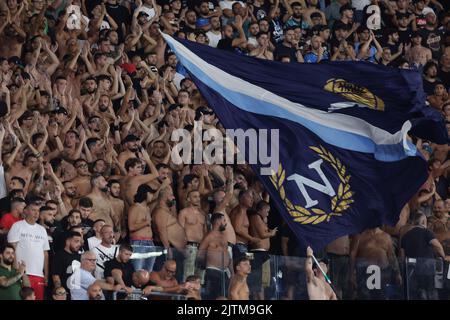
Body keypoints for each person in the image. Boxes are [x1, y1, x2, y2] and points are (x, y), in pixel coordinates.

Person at [400, 212, 450, 299]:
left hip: (411, 269)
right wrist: (444, 256)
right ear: (423, 222)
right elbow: (437, 245)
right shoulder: (426, 232)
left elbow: (402, 255)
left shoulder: (405, 236)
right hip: (427, 268)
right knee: (430, 291)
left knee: (416, 293)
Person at [7, 201, 50, 300]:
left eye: (38, 211)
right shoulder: (17, 226)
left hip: (39, 274)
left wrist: (46, 274)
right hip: (22, 273)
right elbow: (11, 249)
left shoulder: (42, 230)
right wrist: (16, 271)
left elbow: (45, 254)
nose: (36, 213)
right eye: (33, 210)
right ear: (25, 211)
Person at [350, 227, 402, 299]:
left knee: (382, 296)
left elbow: (392, 257)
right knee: (365, 296)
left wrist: (397, 273)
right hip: (364, 272)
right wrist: (351, 274)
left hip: (383, 273)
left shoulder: (386, 236)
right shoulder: (360, 236)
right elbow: (353, 254)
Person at [198, 213, 232, 299]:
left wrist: (232, 272)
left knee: (223, 297)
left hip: (224, 272)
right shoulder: (209, 236)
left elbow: (227, 254)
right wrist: (204, 267)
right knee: (211, 297)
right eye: (224, 220)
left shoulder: (224, 236)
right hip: (212, 271)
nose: (225, 223)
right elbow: (200, 253)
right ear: (218, 221)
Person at [178, 190, 207, 281]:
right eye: (194, 197)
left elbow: (206, 233)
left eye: (198, 196)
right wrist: (182, 249)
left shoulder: (203, 214)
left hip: (201, 248)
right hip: (189, 247)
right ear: (188, 199)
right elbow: (179, 232)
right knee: (188, 276)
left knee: (200, 277)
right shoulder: (184, 212)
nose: (198, 199)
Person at [128, 184, 156, 272]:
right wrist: (146, 222)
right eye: (151, 193)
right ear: (146, 194)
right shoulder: (135, 207)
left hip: (150, 242)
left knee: (149, 272)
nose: (152, 196)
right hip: (138, 243)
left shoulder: (147, 208)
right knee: (138, 271)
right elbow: (131, 227)